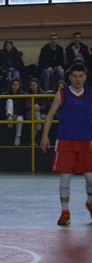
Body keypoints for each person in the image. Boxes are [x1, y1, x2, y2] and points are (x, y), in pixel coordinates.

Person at [40, 63, 92, 226]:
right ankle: (65, 212)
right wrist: (44, 136)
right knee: (65, 178)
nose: (78, 79)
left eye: (81, 76)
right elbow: (50, 116)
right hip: (65, 141)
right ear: (69, 77)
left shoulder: (90, 94)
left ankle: (90, 202)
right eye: (74, 76)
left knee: (90, 178)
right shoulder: (62, 94)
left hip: (86, 141)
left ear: (85, 77)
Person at [4, 76, 26, 146]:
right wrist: (11, 115)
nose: (15, 87)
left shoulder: (23, 95)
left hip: (18, 114)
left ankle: (18, 136)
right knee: (9, 100)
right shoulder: (6, 94)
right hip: (9, 113)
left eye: (17, 85)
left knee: (20, 120)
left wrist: (16, 115)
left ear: (19, 86)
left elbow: (24, 108)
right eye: (14, 85)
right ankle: (9, 117)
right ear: (11, 85)